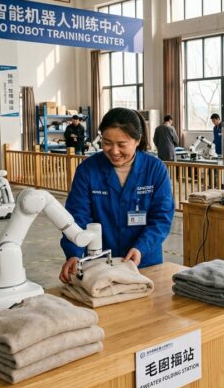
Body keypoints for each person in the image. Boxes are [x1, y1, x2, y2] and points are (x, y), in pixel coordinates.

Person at [59, 108, 175, 284]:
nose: (114, 151)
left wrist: (141, 248)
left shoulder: (155, 169)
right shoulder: (88, 170)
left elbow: (162, 217)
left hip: (144, 263)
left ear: (138, 140)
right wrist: (74, 254)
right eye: (107, 142)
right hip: (99, 264)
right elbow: (77, 217)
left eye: (122, 144)